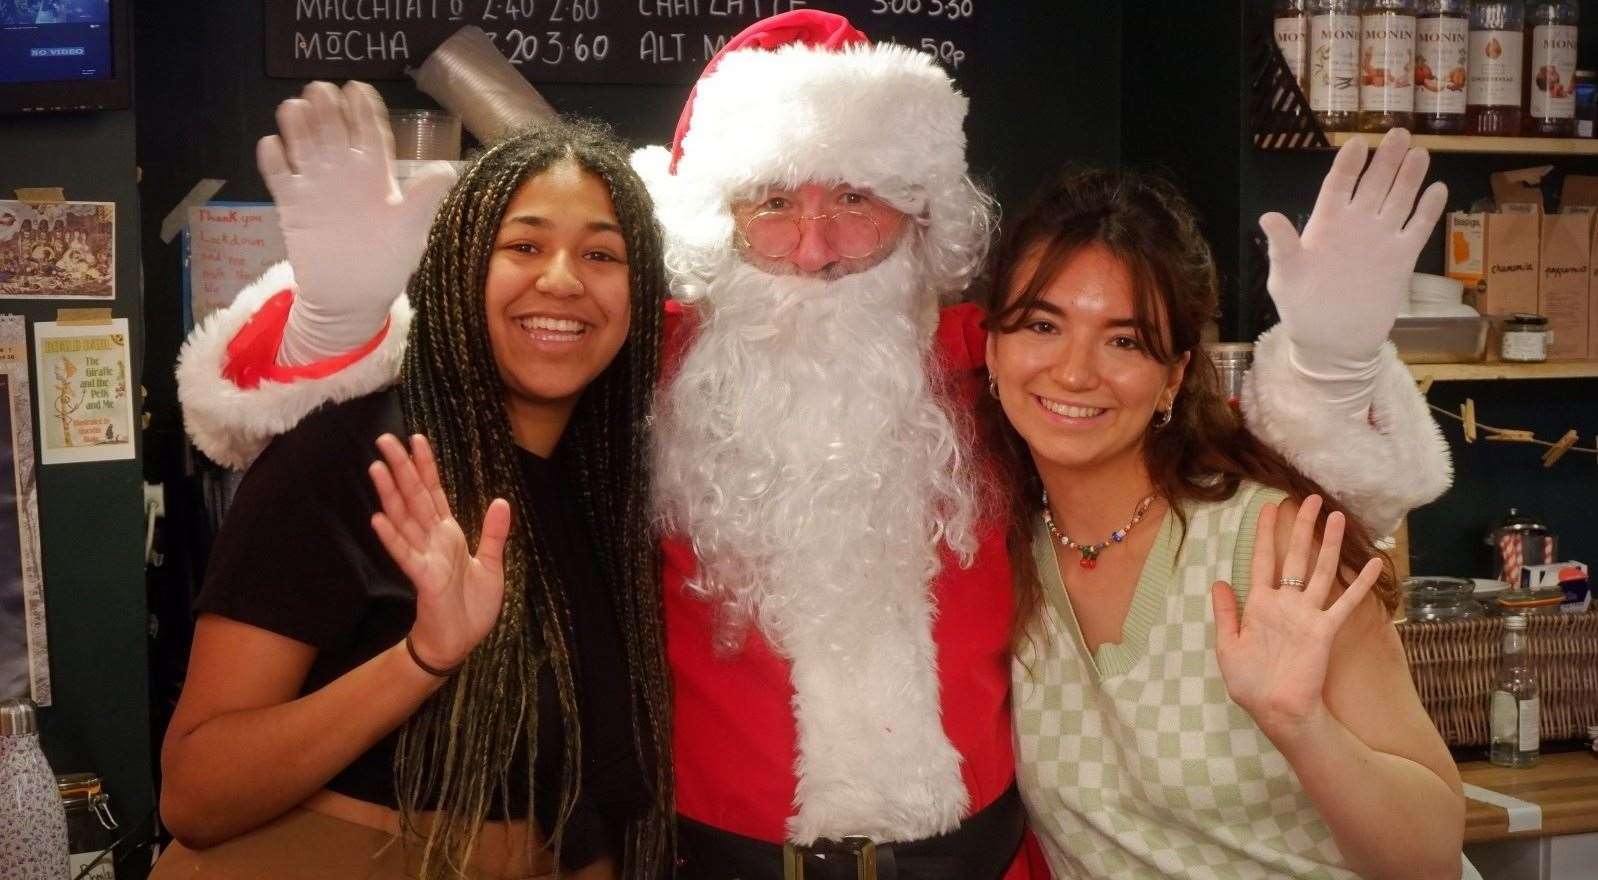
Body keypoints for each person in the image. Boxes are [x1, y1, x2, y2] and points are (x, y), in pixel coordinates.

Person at [173, 12, 1450, 879]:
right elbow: (476, 342)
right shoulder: (646, 361)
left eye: (856, 199)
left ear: (923, 214)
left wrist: (1329, 368)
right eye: (772, 202)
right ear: (717, 221)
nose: (819, 244)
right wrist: (334, 316)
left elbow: (1187, 433)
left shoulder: (992, 360)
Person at [158, 109, 673, 879]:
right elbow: (196, 795)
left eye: (602, 253)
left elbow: (587, 798)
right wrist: (422, 657)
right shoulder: (355, 457)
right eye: (524, 245)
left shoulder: (605, 494)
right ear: (461, 266)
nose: (562, 279)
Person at [986, 164, 1465, 879]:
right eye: (1042, 325)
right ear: (992, 348)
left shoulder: (1272, 543)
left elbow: (1430, 858)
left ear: (1174, 376)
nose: (1075, 372)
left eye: (1124, 341)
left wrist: (1301, 728)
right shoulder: (996, 551)